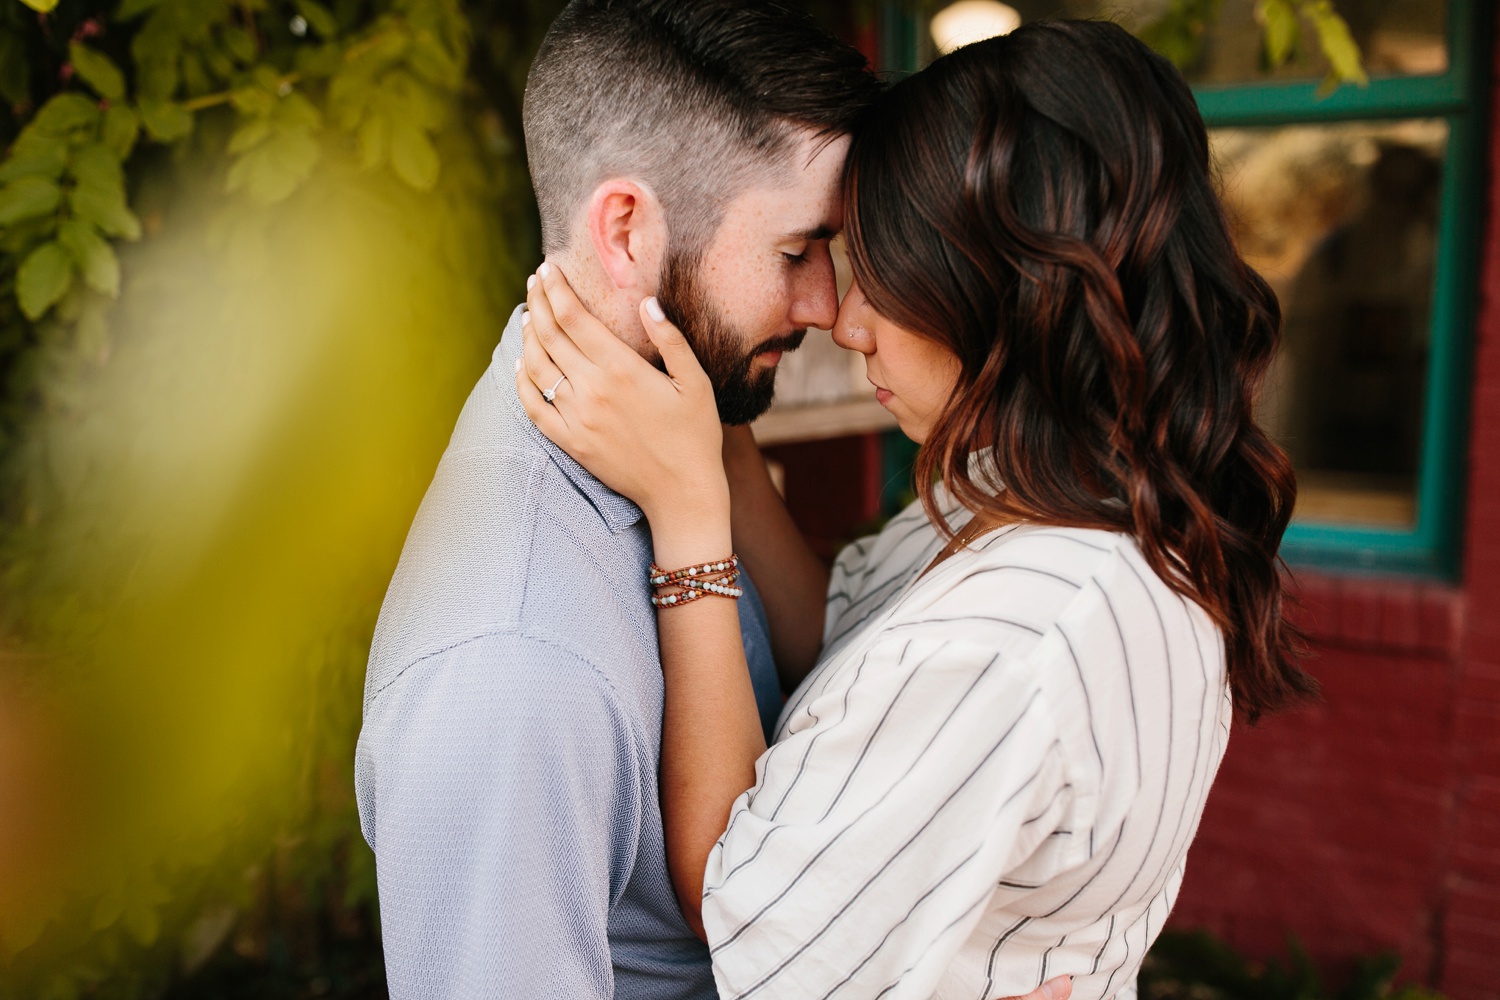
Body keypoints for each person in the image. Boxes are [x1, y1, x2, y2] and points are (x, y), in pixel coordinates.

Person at [518, 18, 1317, 1000]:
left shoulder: (1014, 636)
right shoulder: (1039, 487)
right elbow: (835, 630)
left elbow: (737, 899)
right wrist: (718, 423)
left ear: (1010, 292)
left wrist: (688, 521)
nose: (846, 321)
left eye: (886, 280)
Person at [355, 2, 1076, 998]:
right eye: (796, 250)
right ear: (626, 232)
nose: (829, 306)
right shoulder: (514, 666)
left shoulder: (680, 444)